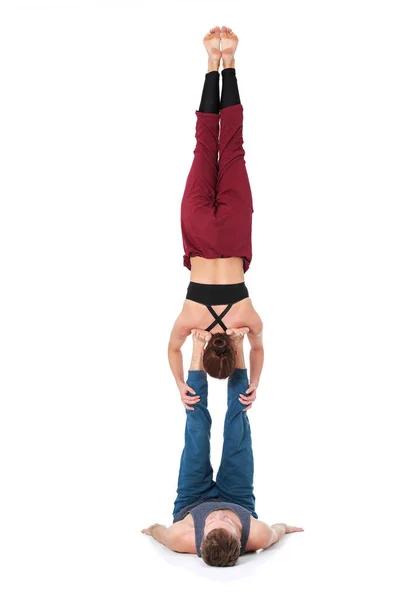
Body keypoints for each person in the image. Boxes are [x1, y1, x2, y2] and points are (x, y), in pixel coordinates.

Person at [143, 331, 303, 567]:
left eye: (212, 522)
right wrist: (286, 528)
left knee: (197, 428)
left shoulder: (180, 538)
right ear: (240, 541)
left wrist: (152, 529)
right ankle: (237, 345)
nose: (219, 514)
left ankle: (198, 347)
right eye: (226, 522)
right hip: (238, 499)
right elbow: (277, 531)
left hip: (192, 499)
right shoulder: (259, 535)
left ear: (200, 539)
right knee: (236, 427)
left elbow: (160, 533)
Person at [168, 26, 264, 408]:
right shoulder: (190, 320)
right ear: (204, 351)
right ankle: (212, 64)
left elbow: (258, 352)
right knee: (205, 148)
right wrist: (180, 386)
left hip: (234, 231)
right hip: (198, 229)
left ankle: (229, 63)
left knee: (232, 147)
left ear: (233, 356)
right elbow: (172, 350)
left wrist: (254, 383)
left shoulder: (247, 319)